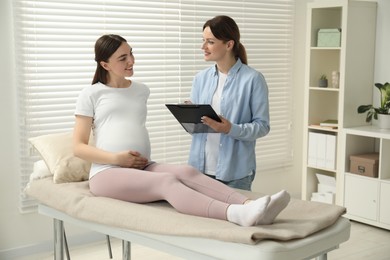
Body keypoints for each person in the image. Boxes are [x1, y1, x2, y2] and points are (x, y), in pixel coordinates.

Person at [73, 34, 289, 227]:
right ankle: (235, 214)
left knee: (187, 171)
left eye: (131, 53)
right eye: (122, 58)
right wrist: (118, 158)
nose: (131, 61)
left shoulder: (140, 90)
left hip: (142, 165)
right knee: (166, 182)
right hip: (107, 173)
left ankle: (252, 204)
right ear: (105, 64)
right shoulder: (91, 94)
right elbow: (78, 147)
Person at [187, 15, 270, 191]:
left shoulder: (253, 79)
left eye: (209, 42)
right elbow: (199, 129)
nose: (203, 47)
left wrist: (230, 128)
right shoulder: (200, 79)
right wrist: (190, 117)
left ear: (229, 44)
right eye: (203, 41)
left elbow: (262, 126)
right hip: (199, 170)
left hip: (236, 173)